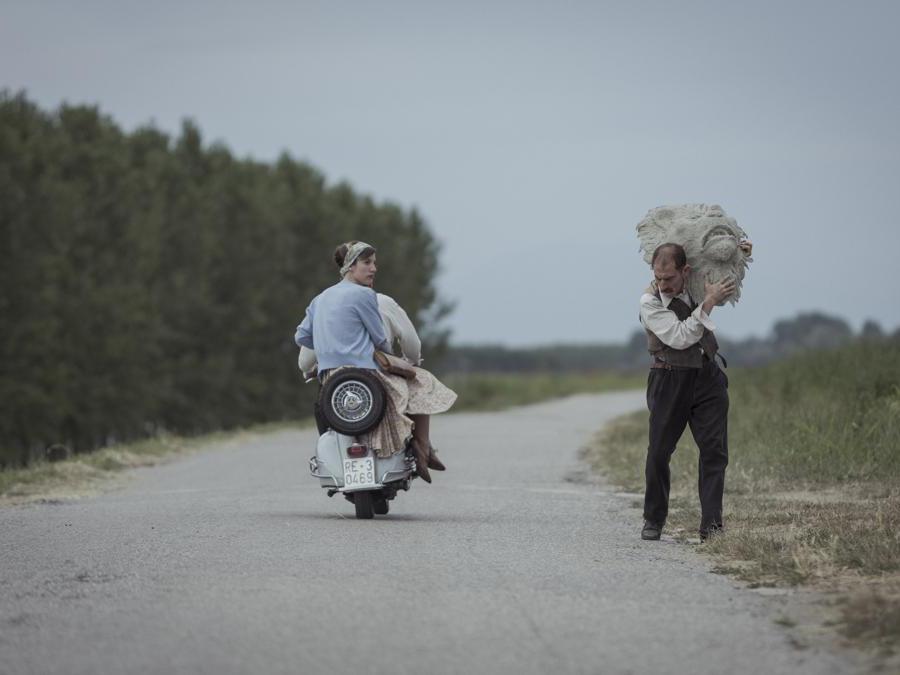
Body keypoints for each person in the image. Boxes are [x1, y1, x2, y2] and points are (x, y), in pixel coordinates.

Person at [294, 241, 456, 483]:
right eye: (367, 263)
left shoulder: (320, 299)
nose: (373, 268)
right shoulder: (364, 294)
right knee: (422, 380)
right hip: (366, 374)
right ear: (350, 266)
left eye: (374, 263)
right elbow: (380, 340)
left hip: (332, 381)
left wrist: (329, 348)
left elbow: (301, 337)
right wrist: (389, 358)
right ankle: (422, 447)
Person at [638, 241, 751, 542]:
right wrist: (709, 303)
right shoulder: (649, 302)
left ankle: (711, 527)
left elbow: (726, 276)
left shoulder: (698, 282)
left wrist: (739, 252)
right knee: (659, 453)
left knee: (715, 452)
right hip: (668, 379)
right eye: (658, 277)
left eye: (669, 278)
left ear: (685, 271)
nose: (663, 284)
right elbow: (680, 337)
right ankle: (653, 519)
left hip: (706, 377)